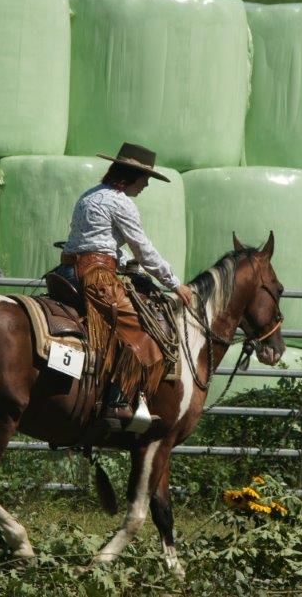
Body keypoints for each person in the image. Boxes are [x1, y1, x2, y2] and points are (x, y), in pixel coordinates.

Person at [59, 142, 192, 424]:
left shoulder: (89, 196)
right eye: (145, 179)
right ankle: (116, 402)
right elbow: (144, 250)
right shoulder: (121, 203)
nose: (146, 185)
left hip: (67, 270)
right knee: (143, 329)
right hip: (96, 276)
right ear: (131, 175)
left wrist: (121, 259)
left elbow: (96, 240)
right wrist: (174, 283)